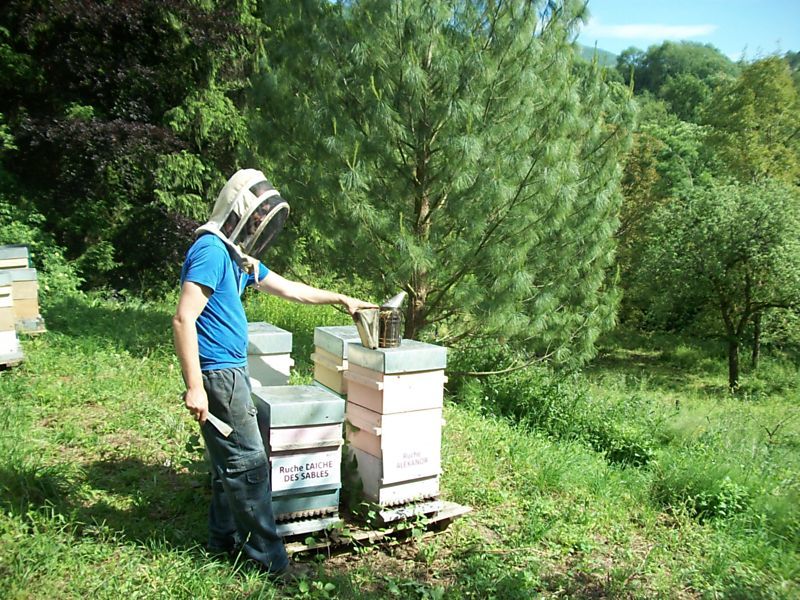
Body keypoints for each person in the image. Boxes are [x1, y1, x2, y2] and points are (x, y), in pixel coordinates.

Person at [172, 169, 375, 577]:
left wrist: (341, 298)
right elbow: (182, 319)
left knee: (228, 463)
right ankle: (271, 562)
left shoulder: (236, 257)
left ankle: (222, 539)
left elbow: (290, 289)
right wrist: (195, 385)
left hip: (230, 373)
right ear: (240, 215)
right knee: (249, 466)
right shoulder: (211, 251)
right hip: (219, 376)